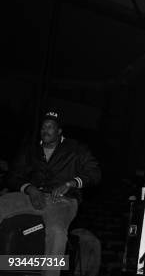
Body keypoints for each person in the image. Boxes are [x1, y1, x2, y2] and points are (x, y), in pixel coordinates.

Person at [0, 110, 101, 276]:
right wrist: (30, 189)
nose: (45, 130)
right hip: (30, 195)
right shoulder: (30, 149)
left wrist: (71, 183)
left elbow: (95, 173)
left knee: (57, 232)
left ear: (59, 131)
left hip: (62, 201)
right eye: (43, 127)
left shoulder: (76, 149)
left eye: (50, 127)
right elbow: (12, 176)